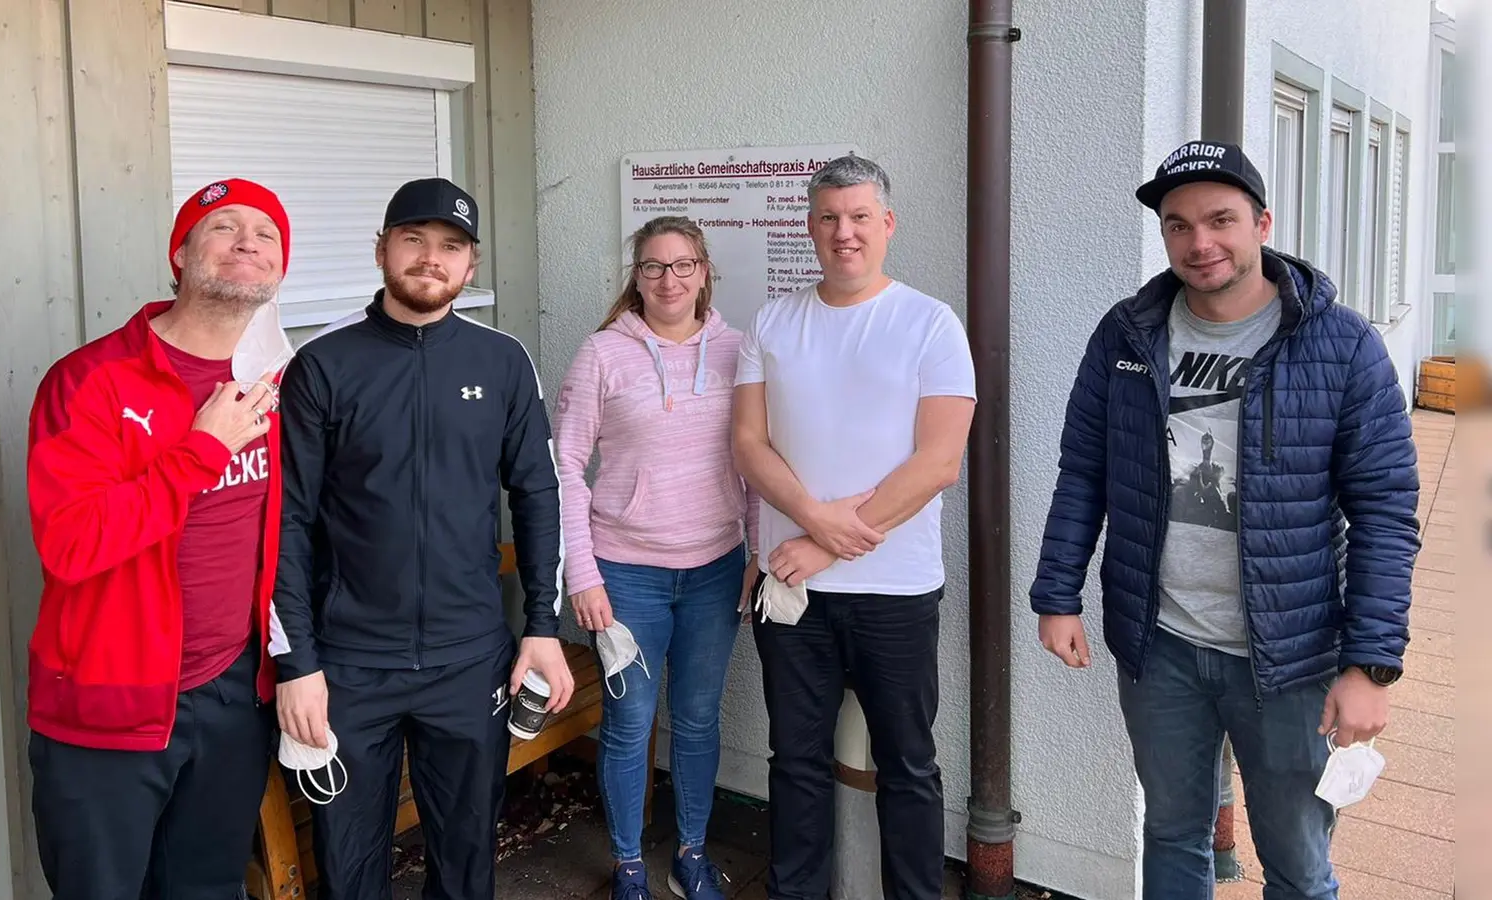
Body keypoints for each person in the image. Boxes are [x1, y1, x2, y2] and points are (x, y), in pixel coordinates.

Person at [1029, 140, 1420, 900]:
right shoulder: (1127, 335)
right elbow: (1085, 472)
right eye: (1178, 225)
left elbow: (1385, 510)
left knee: (1298, 865)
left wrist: (1371, 665)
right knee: (1172, 836)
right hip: (1163, 643)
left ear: (1262, 223)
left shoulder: (1340, 345)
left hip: (1291, 655)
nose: (1199, 242)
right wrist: (1057, 593)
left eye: (1220, 220)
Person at [271, 176, 573, 900]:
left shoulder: (501, 362)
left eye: (451, 246)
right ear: (382, 250)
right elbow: (286, 521)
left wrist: (542, 628)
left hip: (469, 660)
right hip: (347, 667)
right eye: (414, 240)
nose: (430, 258)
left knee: (468, 860)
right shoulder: (323, 365)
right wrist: (298, 664)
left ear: (470, 265)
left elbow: (538, 493)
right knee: (348, 867)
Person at [24, 177, 293, 899]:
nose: (246, 242)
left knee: (206, 888)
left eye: (265, 234)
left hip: (233, 695)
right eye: (223, 227)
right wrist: (200, 451)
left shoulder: (277, 386)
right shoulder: (89, 381)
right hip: (105, 709)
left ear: (280, 269)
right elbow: (72, 544)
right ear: (180, 253)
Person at [731, 154, 977, 900]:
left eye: (860, 217)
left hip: (895, 594)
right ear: (810, 226)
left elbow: (938, 462)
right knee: (794, 760)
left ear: (887, 224)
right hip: (794, 590)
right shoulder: (773, 321)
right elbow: (748, 442)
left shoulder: (930, 323)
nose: (844, 232)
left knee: (907, 763)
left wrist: (828, 538)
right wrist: (810, 525)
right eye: (829, 218)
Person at [553, 216, 759, 900]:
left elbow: (755, 463)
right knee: (631, 722)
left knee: (699, 720)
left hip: (715, 570)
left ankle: (692, 854)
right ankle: (629, 867)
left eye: (682, 266)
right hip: (625, 575)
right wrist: (582, 573)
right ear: (635, 277)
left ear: (704, 272)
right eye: (652, 267)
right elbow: (565, 469)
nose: (668, 280)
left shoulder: (738, 350)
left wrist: (757, 552)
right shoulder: (602, 354)